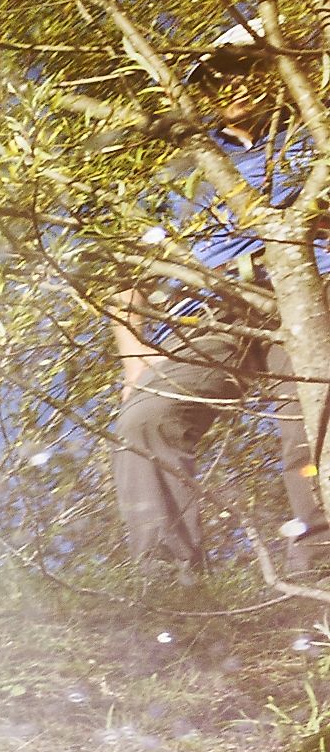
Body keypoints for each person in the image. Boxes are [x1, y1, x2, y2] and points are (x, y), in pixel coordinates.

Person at [118, 40, 316, 572]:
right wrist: (133, 355)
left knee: (313, 426)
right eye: (215, 79)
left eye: (246, 70)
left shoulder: (312, 136)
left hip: (311, 292)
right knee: (147, 416)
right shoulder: (185, 166)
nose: (234, 86)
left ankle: (321, 579)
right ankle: (171, 592)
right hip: (219, 311)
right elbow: (125, 268)